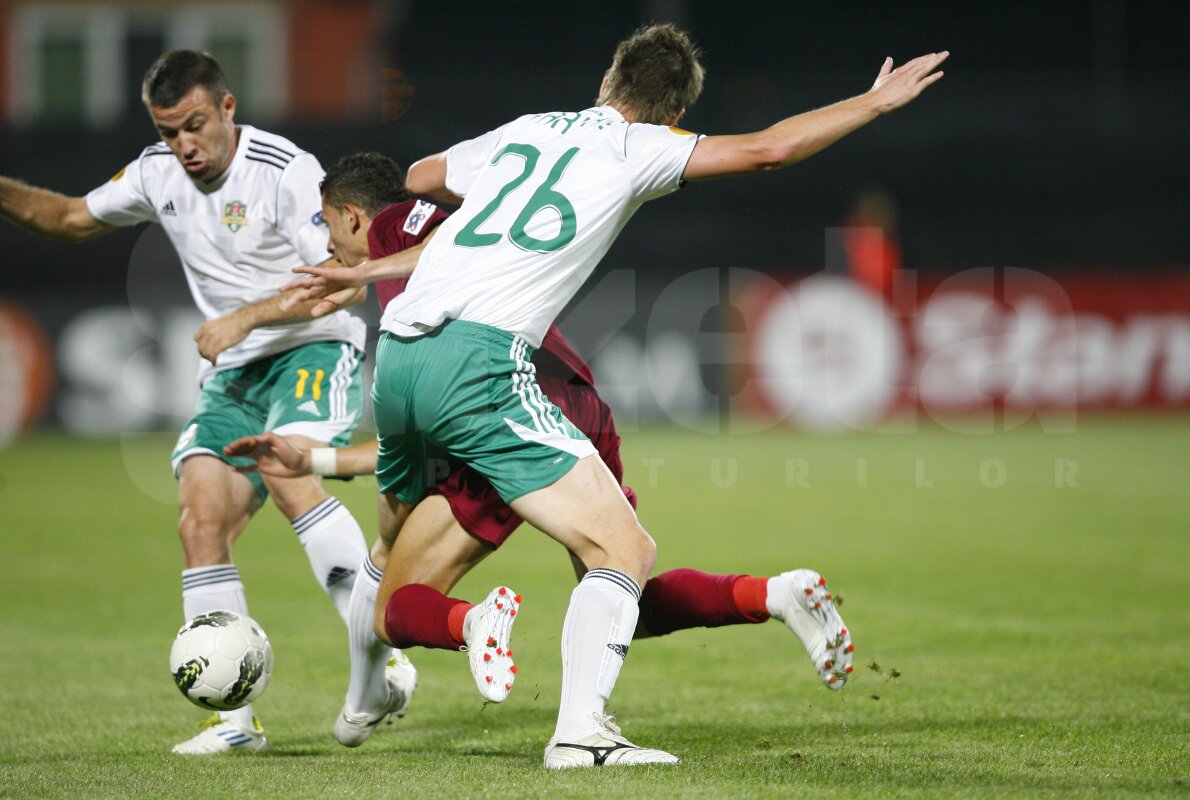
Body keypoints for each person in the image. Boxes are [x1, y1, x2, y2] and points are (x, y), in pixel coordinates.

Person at [293, 24, 946, 768]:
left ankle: (381, 689)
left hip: (401, 359)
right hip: (481, 363)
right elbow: (771, 147)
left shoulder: (528, 130)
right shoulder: (641, 147)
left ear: (607, 80)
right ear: (673, 115)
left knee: (416, 577)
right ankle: (580, 736)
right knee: (622, 552)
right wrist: (872, 102)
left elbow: (419, 175)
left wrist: (481, 201)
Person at [228, 151, 852, 749]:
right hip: (573, 403)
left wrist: (314, 297)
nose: (326, 246)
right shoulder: (438, 281)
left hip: (497, 404)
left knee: (390, 607)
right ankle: (773, 594)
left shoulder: (397, 225)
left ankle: (472, 634)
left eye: (327, 226)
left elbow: (430, 246)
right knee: (622, 593)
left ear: (352, 216)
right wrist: (315, 460)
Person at [0, 50, 415, 755]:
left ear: (227, 107)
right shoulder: (154, 174)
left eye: (195, 124)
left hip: (313, 349)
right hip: (234, 371)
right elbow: (69, 217)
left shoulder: (284, 172)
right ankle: (235, 723)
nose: (184, 144)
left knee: (288, 473)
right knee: (199, 520)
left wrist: (247, 317)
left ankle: (380, 657)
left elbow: (345, 276)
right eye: (168, 132)